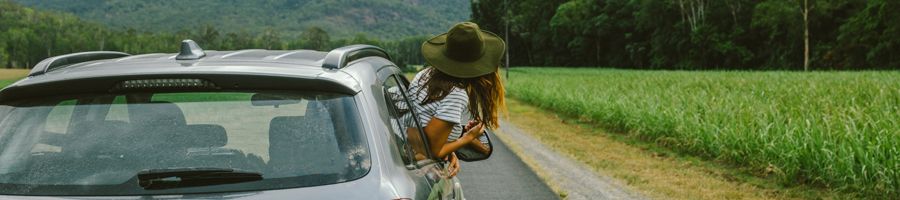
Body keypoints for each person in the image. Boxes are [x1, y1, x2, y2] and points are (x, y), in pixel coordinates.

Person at [404, 22, 506, 176]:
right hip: (422, 171)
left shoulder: (425, 74)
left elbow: (420, 127)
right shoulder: (455, 93)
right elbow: (432, 150)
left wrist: (450, 148)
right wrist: (468, 137)